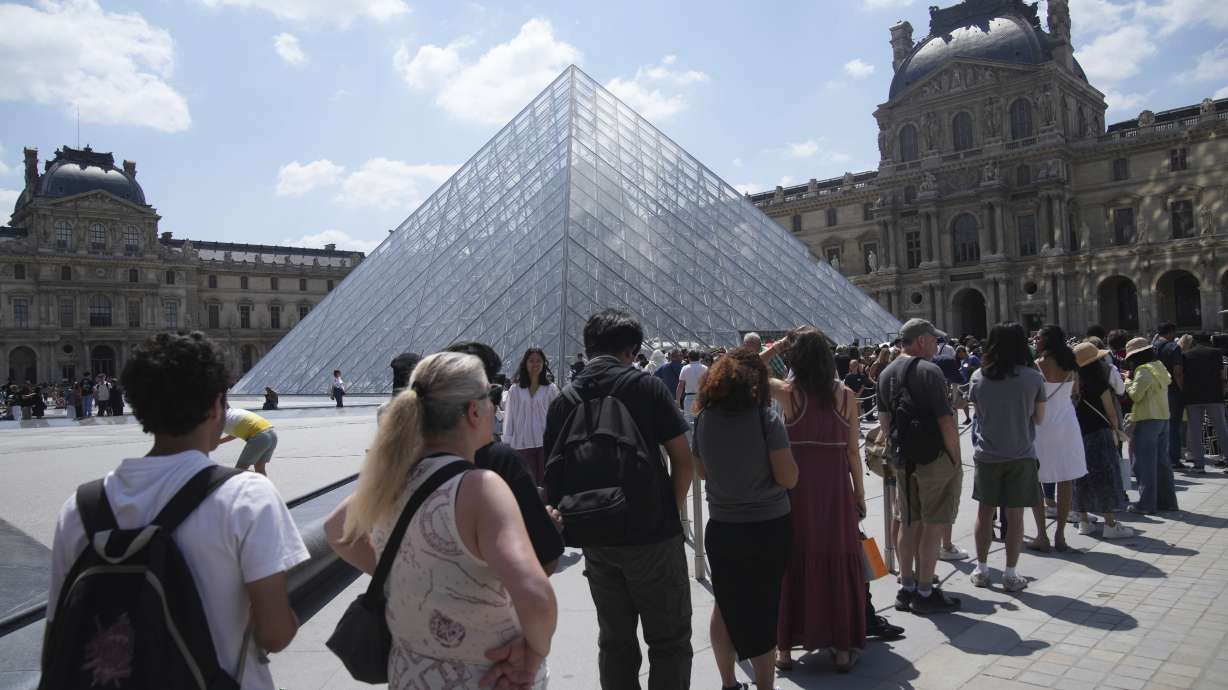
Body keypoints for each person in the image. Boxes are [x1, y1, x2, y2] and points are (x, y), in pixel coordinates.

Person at [44, 332, 308, 689]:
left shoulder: (80, 508)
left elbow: (57, 634)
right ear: (217, 405)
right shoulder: (247, 497)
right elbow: (275, 634)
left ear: (138, 406)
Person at [333, 352, 557, 689]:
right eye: (489, 397)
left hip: (409, 674)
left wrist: (405, 576)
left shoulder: (391, 478)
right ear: (473, 412)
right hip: (483, 676)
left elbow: (336, 531)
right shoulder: (481, 488)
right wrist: (533, 655)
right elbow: (536, 596)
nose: (493, 406)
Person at [543, 309, 695, 690]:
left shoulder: (564, 400)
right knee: (669, 640)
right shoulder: (645, 386)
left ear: (588, 346)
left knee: (614, 642)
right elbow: (682, 458)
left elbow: (552, 472)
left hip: (594, 533)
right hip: (652, 533)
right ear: (631, 350)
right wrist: (670, 513)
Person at [331, 343, 565, 577]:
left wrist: (392, 577)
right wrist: (550, 529)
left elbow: (336, 529)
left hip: (405, 610)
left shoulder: (402, 457)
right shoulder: (501, 463)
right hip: (479, 610)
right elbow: (541, 575)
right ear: (477, 405)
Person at [760, 328, 867, 669]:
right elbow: (853, 452)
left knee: (792, 559)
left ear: (795, 359)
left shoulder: (788, 393)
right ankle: (843, 648)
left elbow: (746, 370)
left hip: (796, 492)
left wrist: (774, 348)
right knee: (837, 556)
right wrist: (859, 495)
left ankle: (785, 649)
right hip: (836, 492)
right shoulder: (846, 395)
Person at [691, 347, 798, 689]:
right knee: (763, 607)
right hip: (766, 526)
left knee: (725, 605)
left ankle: (728, 683)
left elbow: (701, 471)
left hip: (723, 527)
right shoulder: (765, 418)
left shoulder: (704, 419)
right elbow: (788, 478)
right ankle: (766, 685)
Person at [875, 318, 963, 615]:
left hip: (904, 458)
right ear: (922, 340)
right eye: (934, 339)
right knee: (934, 521)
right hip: (934, 457)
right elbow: (945, 420)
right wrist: (954, 457)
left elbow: (885, 423)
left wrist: (898, 452)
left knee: (908, 519)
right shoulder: (930, 370)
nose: (937, 344)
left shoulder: (885, 372)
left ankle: (906, 587)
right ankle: (925, 591)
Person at [968, 322, 1046, 591]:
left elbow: (977, 414)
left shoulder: (978, 377)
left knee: (984, 512)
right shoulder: (1034, 378)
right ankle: (1011, 574)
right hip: (1021, 454)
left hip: (987, 453)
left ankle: (981, 569)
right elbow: (1039, 418)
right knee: (1015, 516)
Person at [1028, 325, 1086, 553]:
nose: (1035, 338)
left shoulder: (1037, 365)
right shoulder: (1071, 365)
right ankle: (1060, 535)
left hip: (1042, 424)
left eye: (1038, 336)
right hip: (1067, 423)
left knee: (1036, 480)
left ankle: (1041, 534)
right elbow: (1076, 392)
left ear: (1047, 341)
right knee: (1066, 479)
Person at [1071, 342, 1133, 538]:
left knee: (1080, 478)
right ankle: (1110, 524)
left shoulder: (1073, 384)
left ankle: (1083, 521)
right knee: (1105, 477)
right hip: (1100, 433)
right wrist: (1115, 431)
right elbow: (1111, 413)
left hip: (1078, 435)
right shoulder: (1099, 384)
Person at [1124, 338, 1179, 514]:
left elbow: (1135, 395)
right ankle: (1168, 502)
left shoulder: (1143, 370)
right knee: (1162, 463)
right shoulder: (1159, 366)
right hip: (1163, 418)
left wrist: (1126, 381)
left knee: (1144, 464)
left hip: (1147, 419)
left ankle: (1146, 504)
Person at [504, 348, 559, 485]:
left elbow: (557, 416)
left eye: (538, 361)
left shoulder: (551, 389)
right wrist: (507, 442)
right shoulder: (515, 390)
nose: (535, 364)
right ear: (525, 363)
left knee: (546, 483)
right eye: (531, 361)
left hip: (544, 443)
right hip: (522, 443)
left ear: (543, 364)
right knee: (526, 485)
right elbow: (509, 417)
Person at [1178, 333, 1228, 474]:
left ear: (1194, 341)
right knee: (1222, 429)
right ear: (1210, 340)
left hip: (1193, 397)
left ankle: (1199, 464)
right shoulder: (1216, 353)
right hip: (1214, 396)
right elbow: (1221, 374)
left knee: (1195, 431)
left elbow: (1182, 374)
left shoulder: (1186, 355)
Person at [1153, 323, 1186, 469]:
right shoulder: (1174, 347)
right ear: (1171, 332)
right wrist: (1183, 390)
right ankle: (1174, 459)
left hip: (1156, 391)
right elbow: (1178, 372)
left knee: (1159, 426)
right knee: (1173, 426)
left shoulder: (1152, 347)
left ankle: (1161, 457)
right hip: (1172, 391)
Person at [217, 406, 279, 476]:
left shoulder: (219, 418)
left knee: (240, 470)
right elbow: (236, 432)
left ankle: (251, 479)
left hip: (260, 437)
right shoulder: (235, 412)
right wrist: (220, 441)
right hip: (272, 433)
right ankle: (263, 486)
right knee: (259, 468)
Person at [677, 349, 708, 413]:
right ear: (699, 357)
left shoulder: (685, 368)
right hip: (701, 397)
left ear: (689, 357)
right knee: (701, 419)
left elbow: (680, 386)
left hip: (689, 397)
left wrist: (678, 401)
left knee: (688, 420)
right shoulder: (705, 368)